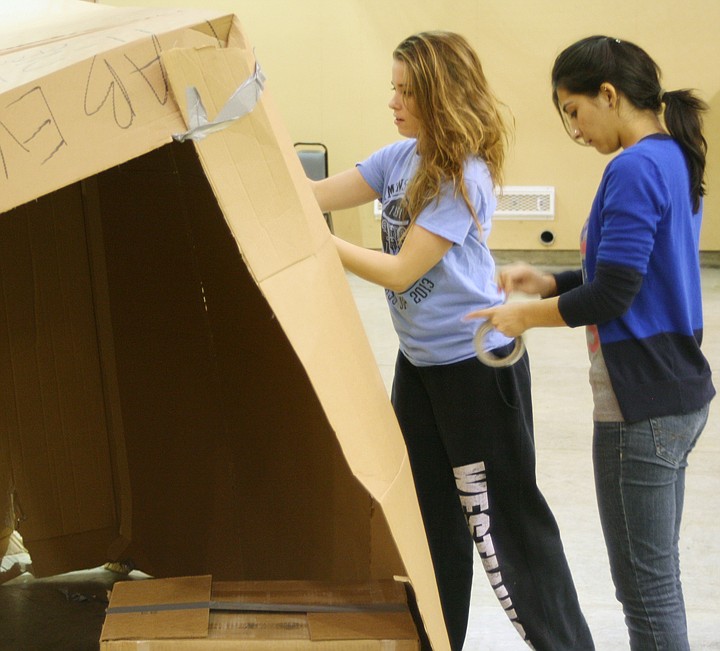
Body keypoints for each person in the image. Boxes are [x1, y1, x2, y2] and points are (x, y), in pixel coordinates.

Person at [310, 31, 593, 651]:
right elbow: (316, 196)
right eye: (393, 88)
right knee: (426, 525)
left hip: (476, 368)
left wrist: (317, 243)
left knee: (506, 533)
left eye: (407, 91)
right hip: (420, 367)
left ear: (440, 97)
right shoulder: (400, 157)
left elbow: (399, 270)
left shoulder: (459, 174)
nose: (394, 101)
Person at [469, 35, 715, 651]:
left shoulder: (631, 167)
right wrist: (547, 280)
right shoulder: (672, 157)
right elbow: (630, 272)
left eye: (574, 112)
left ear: (609, 95)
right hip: (676, 393)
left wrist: (526, 316)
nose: (575, 130)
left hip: (644, 404)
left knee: (647, 594)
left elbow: (612, 298)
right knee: (656, 583)